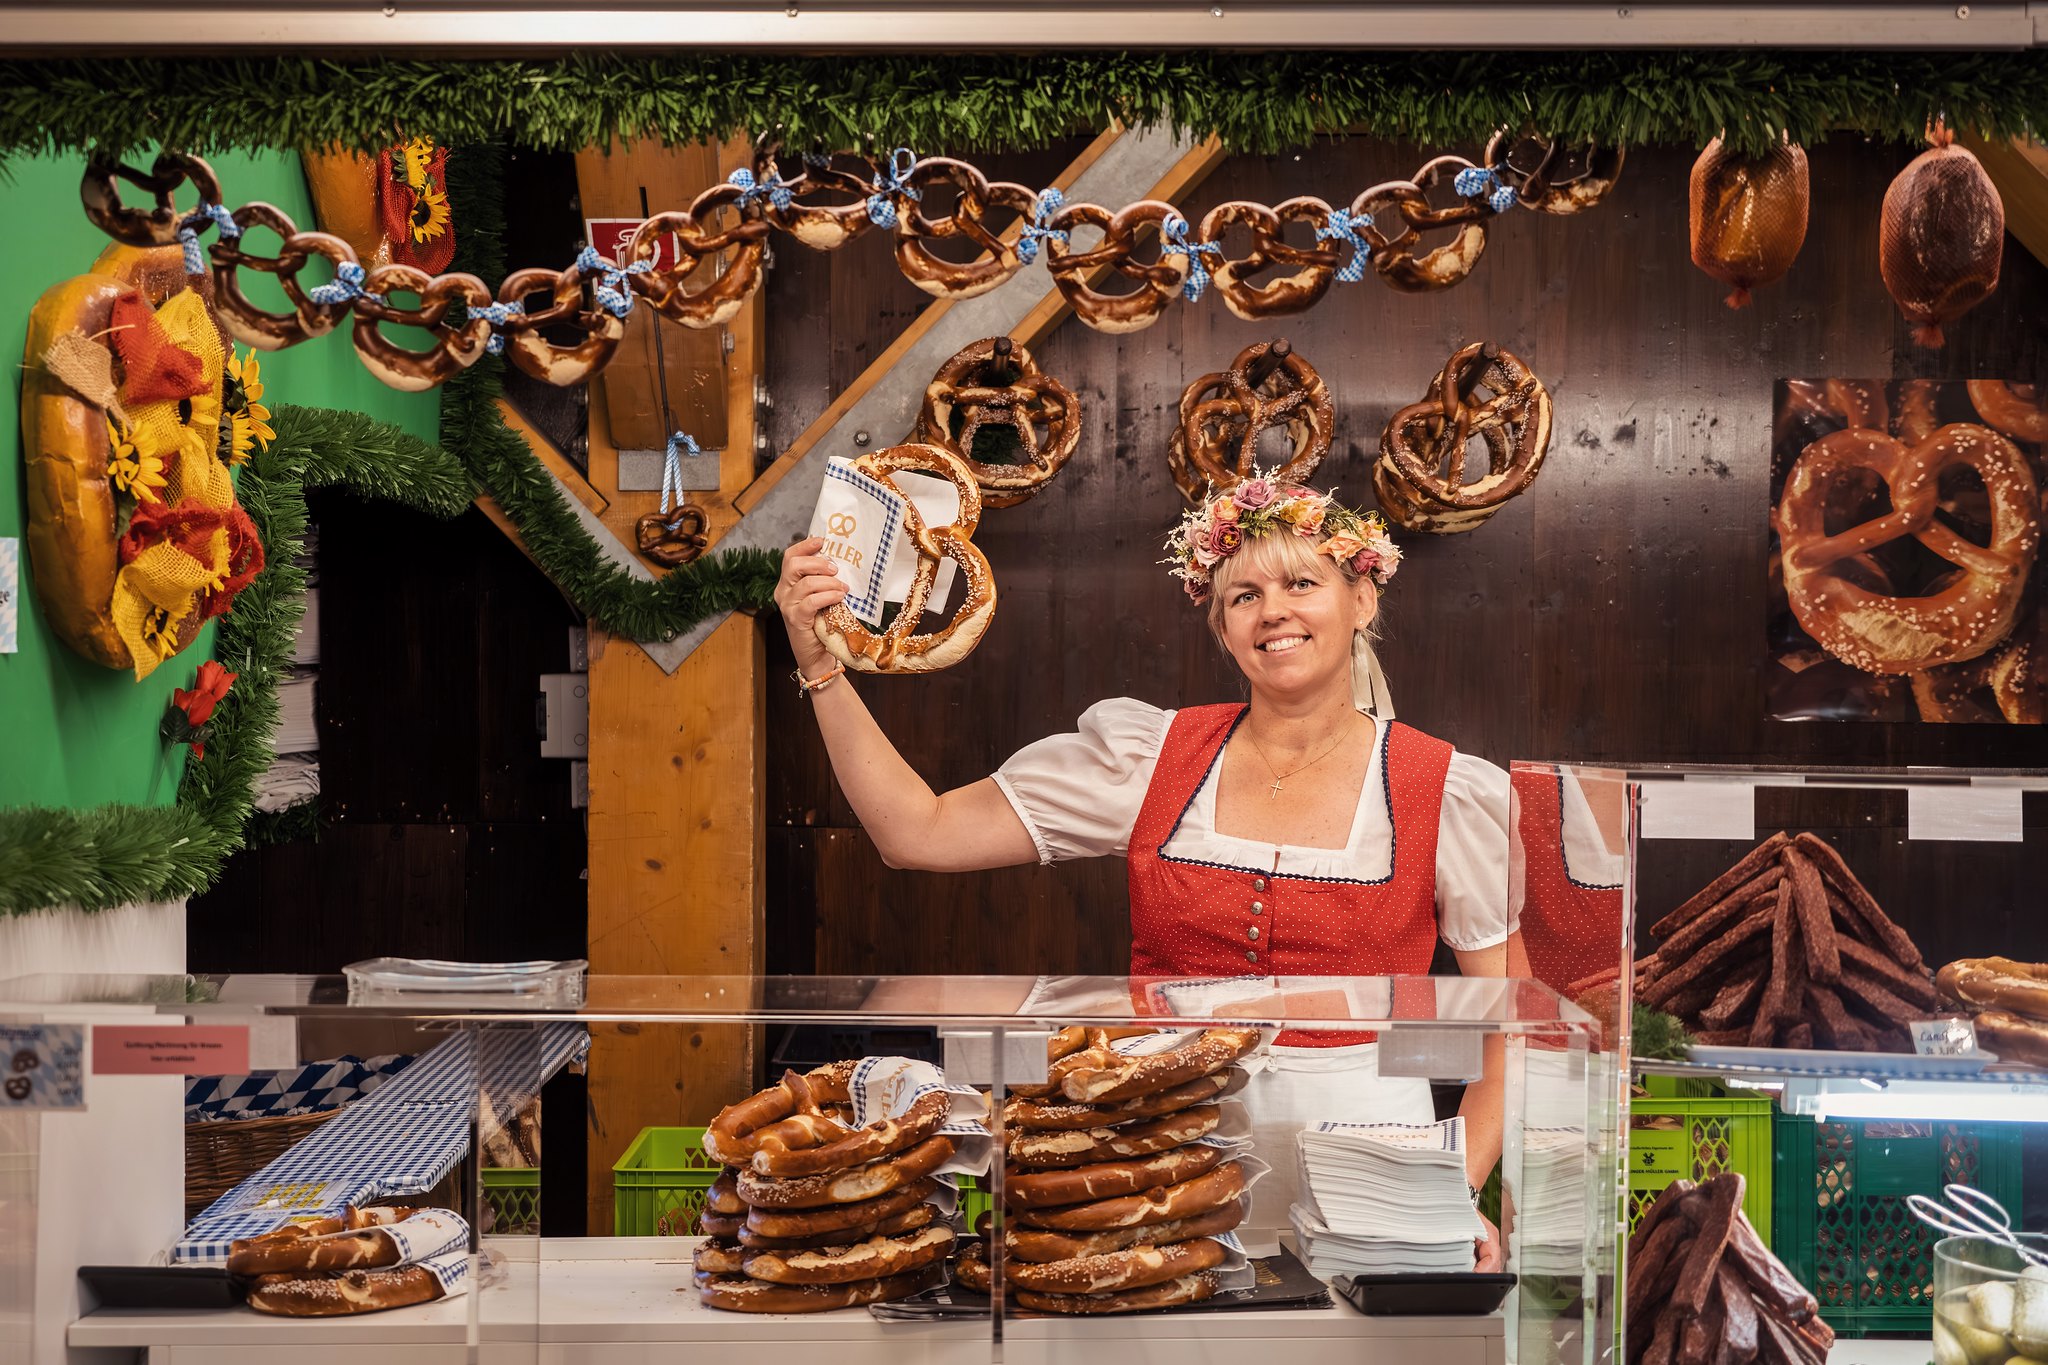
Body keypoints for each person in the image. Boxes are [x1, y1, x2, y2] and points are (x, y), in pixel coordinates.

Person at [775, 475, 1512, 1268]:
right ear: (1221, 627)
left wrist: (1451, 1189)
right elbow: (914, 832)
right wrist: (822, 668)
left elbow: (1517, 1026)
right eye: (1243, 595)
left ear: (1362, 599)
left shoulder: (1449, 788)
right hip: (1158, 1155)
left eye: (1303, 582)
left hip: (1377, 1167)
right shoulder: (1145, 758)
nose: (1273, 611)